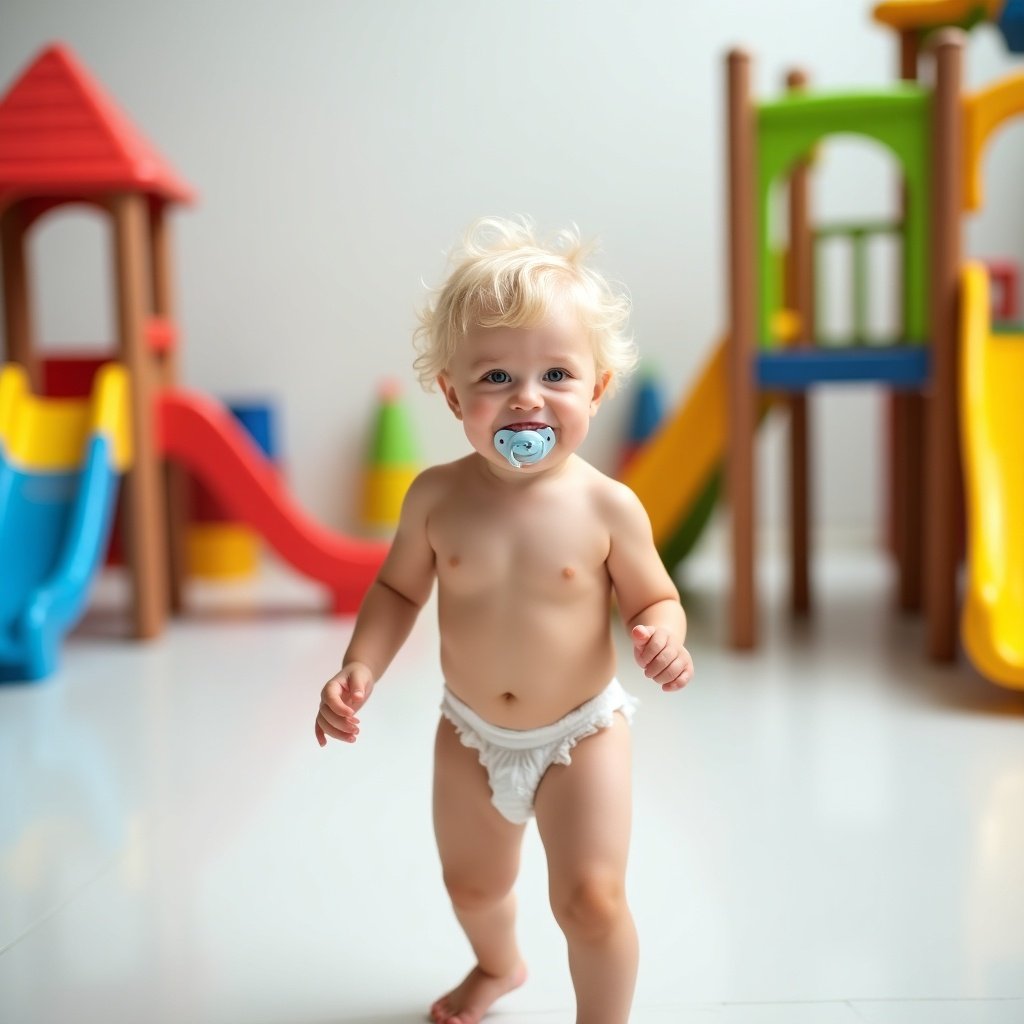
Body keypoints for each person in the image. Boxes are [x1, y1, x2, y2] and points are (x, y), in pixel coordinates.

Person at [315, 217, 693, 1024]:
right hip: (470, 732)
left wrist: (664, 634)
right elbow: (395, 593)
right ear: (453, 395)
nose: (527, 398)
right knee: (473, 885)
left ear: (594, 390)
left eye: (556, 373)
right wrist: (360, 666)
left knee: (591, 899)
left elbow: (656, 595)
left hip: (580, 734)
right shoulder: (437, 499)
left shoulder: (608, 506)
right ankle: (499, 965)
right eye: (495, 378)